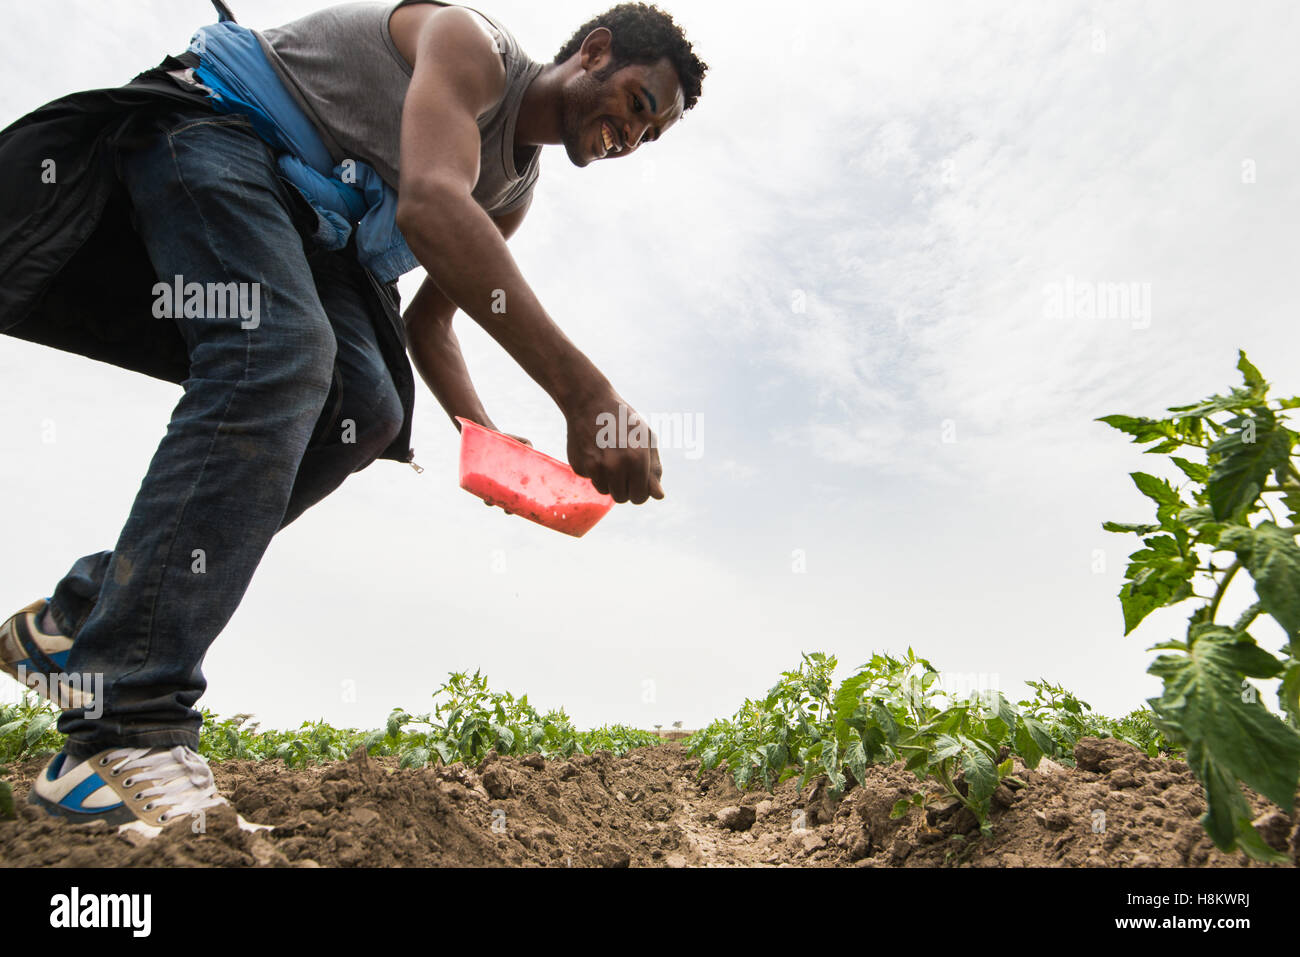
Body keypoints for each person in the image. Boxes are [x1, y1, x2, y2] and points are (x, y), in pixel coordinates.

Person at [0, 0, 707, 836]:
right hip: (221, 129)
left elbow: (430, 323)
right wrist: (587, 396)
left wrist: (483, 430)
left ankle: (83, 618)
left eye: (649, 136)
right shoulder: (471, 46)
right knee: (280, 354)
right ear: (595, 53)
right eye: (639, 105)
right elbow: (429, 210)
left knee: (367, 408)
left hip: (311, 231)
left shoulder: (512, 190)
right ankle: (120, 727)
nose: (633, 135)